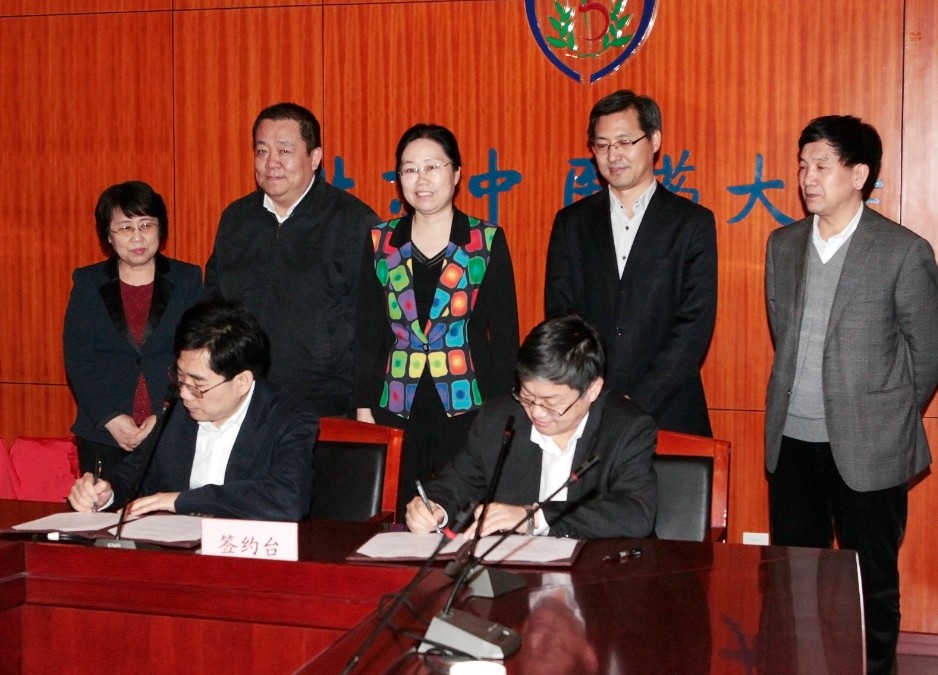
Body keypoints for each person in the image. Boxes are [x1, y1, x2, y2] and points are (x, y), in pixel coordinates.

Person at [764, 115, 938, 675]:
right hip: (792, 442)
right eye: (802, 165)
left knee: (871, 585)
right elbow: (784, 333)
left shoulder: (902, 251)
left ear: (858, 174)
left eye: (822, 165)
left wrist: (885, 416)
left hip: (870, 447)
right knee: (795, 580)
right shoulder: (783, 245)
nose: (807, 177)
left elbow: (928, 353)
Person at [353, 123, 520, 517]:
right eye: (410, 169)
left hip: (468, 404)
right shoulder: (380, 241)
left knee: (463, 514)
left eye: (432, 167)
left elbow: (505, 335)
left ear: (456, 173)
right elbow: (367, 331)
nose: (421, 179)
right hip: (396, 402)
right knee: (397, 514)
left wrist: (500, 412)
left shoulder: (485, 240)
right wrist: (362, 406)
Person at [545, 89, 717, 436]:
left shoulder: (691, 223)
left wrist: (635, 403)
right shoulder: (571, 223)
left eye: (625, 142)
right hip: (590, 410)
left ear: (654, 140)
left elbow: (693, 325)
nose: (613, 155)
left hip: (670, 411)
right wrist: (595, 395)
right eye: (602, 145)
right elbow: (561, 316)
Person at [406, 313, 657, 540]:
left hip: (596, 570)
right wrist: (434, 506)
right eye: (527, 397)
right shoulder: (497, 419)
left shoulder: (626, 428)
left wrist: (534, 517)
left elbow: (635, 514)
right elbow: (456, 482)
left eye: (551, 403)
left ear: (593, 390)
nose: (536, 412)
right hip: (514, 571)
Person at [67, 298, 318, 521]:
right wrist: (106, 492)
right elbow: (137, 472)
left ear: (242, 381)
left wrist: (182, 501)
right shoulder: (177, 409)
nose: (185, 394)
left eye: (198, 385)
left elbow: (288, 498)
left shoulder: (289, 419)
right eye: (180, 377)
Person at [205, 102, 380, 416]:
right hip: (244, 402)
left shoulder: (353, 221)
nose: (271, 162)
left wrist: (362, 404)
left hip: (325, 407)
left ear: (314, 158)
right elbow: (215, 307)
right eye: (262, 151)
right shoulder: (236, 219)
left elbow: (372, 325)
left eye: (284, 151)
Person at [63, 181, 204, 480]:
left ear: (160, 229)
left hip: (172, 428)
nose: (137, 237)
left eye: (146, 225)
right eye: (125, 228)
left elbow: (199, 356)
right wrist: (110, 418)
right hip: (104, 432)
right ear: (108, 236)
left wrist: (166, 414)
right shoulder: (88, 283)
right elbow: (78, 359)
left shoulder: (188, 279)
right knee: (104, 508)